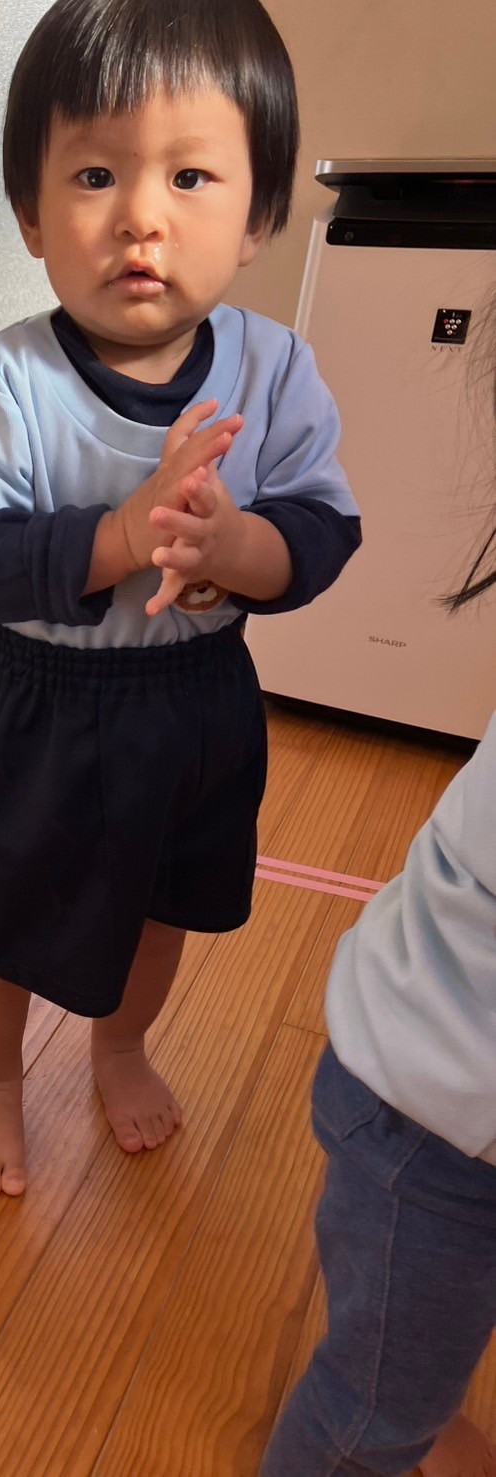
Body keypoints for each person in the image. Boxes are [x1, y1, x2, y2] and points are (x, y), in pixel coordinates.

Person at [0, 0, 362, 1197]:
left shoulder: (275, 369)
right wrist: (122, 535)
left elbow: (324, 530)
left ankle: (121, 1046)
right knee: (2, 920)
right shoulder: (4, 382)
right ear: (30, 214)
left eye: (191, 176)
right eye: (95, 174)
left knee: (163, 904)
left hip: (198, 694)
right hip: (40, 700)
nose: (140, 217)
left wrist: (237, 545)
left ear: (258, 215)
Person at [261, 328, 496, 1477]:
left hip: (431, 1086)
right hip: (432, 1122)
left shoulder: (265, 364)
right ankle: (392, 1412)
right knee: (368, 1411)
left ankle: (415, 1396)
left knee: (405, 1359)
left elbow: (317, 529)